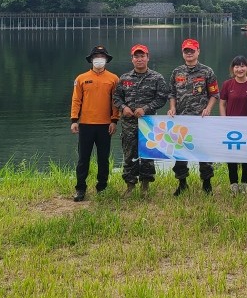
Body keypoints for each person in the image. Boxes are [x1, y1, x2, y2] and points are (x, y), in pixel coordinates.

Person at [113, 43, 171, 196]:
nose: (139, 59)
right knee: (129, 154)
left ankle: (145, 186)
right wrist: (123, 108)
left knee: (147, 154)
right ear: (132, 59)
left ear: (148, 58)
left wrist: (145, 108)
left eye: (142, 56)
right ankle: (130, 186)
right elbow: (116, 97)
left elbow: (161, 98)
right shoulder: (124, 78)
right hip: (128, 124)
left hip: (149, 122)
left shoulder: (157, 77)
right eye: (136, 56)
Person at [167, 38, 219, 196]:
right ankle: (182, 184)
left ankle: (207, 184)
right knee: (180, 153)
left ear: (198, 51)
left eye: (192, 50)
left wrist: (208, 109)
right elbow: (172, 93)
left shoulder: (207, 71)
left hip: (200, 120)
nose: (189, 53)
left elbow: (214, 94)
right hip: (181, 120)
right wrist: (172, 108)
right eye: (186, 51)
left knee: (203, 153)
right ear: (183, 53)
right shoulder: (177, 72)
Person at [69, 44, 119, 201]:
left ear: (106, 60)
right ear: (91, 60)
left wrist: (114, 120)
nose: (99, 60)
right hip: (85, 124)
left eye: (102, 57)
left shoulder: (114, 79)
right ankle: (80, 188)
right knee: (83, 158)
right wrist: (74, 120)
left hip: (105, 125)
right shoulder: (81, 78)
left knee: (103, 158)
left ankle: (102, 187)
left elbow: (115, 102)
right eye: (96, 57)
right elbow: (76, 100)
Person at [219, 55, 247, 194]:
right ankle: (233, 184)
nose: (240, 69)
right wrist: (224, 119)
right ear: (233, 69)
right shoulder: (228, 84)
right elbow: (222, 103)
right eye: (237, 66)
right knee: (231, 155)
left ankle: (244, 184)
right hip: (231, 126)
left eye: (242, 66)